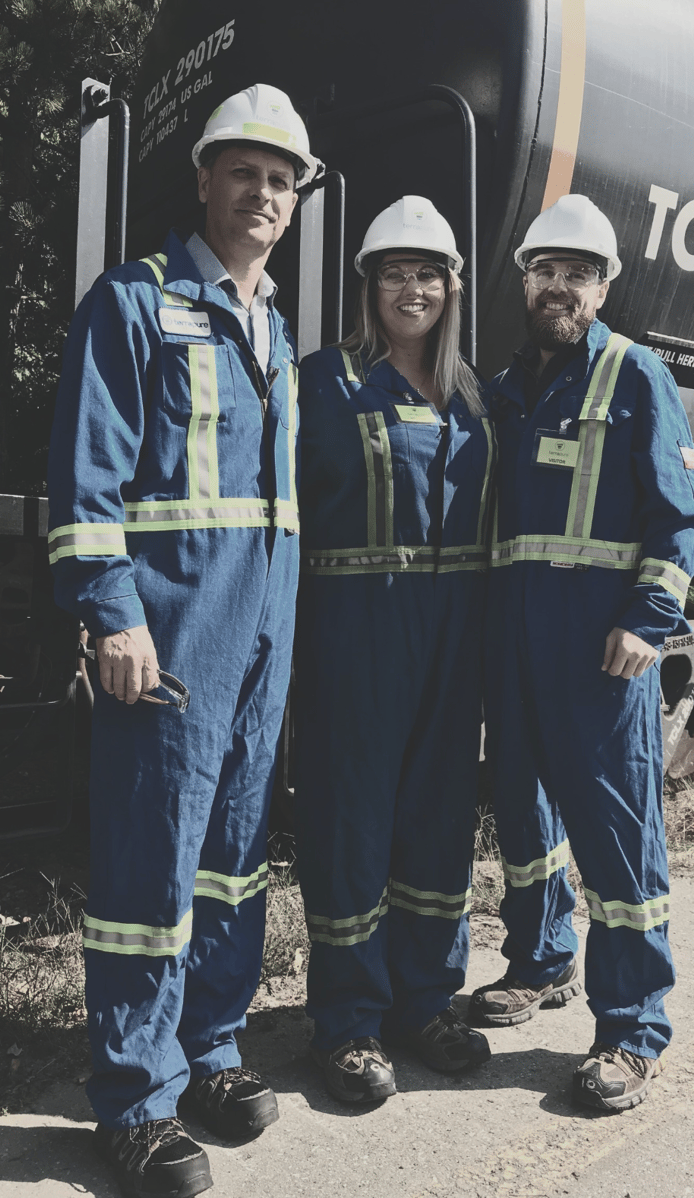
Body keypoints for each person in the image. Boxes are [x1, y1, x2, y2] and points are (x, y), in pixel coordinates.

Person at [48, 84, 322, 1197]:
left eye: (282, 179)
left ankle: (209, 1046)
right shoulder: (133, 302)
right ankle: (132, 1096)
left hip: (260, 637)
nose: (262, 193)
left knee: (236, 851)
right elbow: (87, 477)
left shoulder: (275, 330)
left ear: (296, 202)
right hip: (169, 629)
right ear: (204, 178)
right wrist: (109, 610)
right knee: (148, 860)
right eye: (244, 171)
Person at [469, 194, 694, 1111]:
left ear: (603, 286)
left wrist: (648, 620)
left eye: (580, 272)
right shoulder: (502, 391)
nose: (560, 285)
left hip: (600, 651)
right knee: (525, 822)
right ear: (524, 278)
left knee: (617, 839)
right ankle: (539, 961)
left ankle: (633, 1028)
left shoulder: (634, 375)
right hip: (516, 649)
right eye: (546, 270)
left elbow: (684, 516)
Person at [293, 196, 494, 1103]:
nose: (411, 288)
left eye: (428, 272)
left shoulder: (478, 397)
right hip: (357, 632)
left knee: (440, 821)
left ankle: (425, 1001)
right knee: (353, 824)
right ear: (368, 285)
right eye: (393, 272)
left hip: (455, 640)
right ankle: (348, 1023)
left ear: (453, 286)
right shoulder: (323, 382)